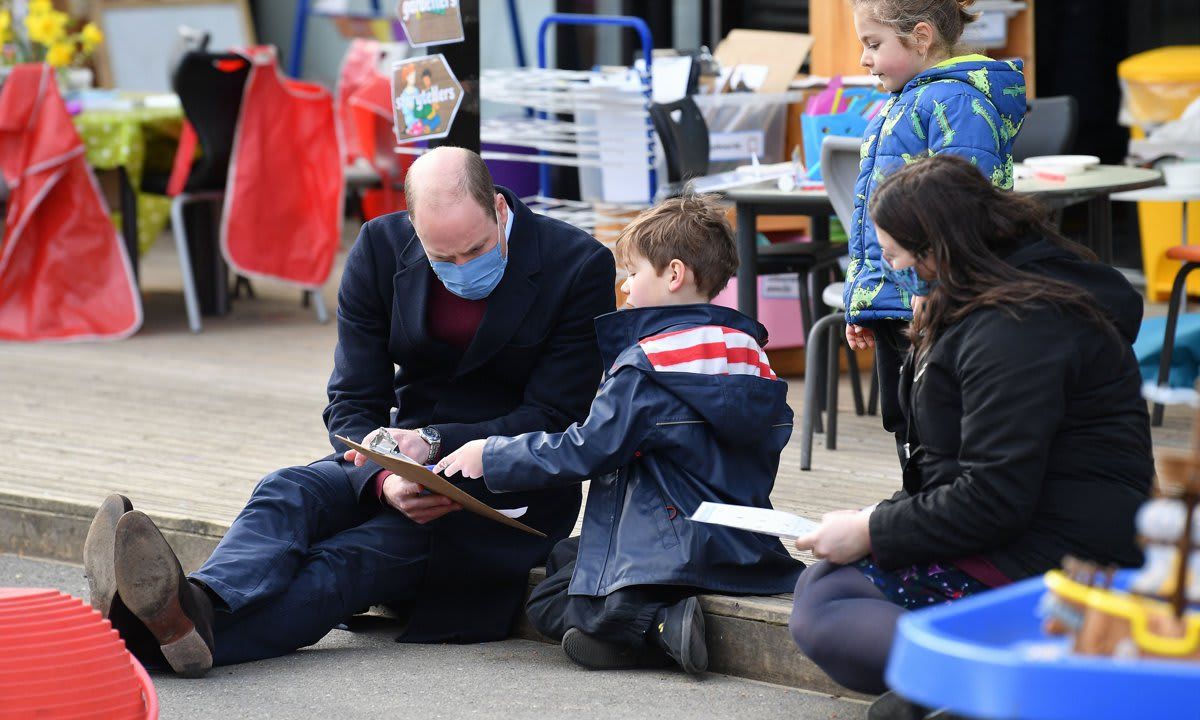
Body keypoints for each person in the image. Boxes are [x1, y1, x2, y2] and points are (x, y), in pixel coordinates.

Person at [81, 147, 617, 677]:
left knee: (347, 559)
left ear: (501, 208)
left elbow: (554, 418)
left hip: (507, 489)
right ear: (413, 228)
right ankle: (193, 608)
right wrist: (385, 475)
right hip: (391, 460)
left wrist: (433, 442)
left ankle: (144, 639)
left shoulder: (577, 265)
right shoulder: (381, 248)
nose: (462, 269)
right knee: (286, 489)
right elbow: (352, 402)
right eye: (442, 257)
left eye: (476, 249)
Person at [789, 155, 1154, 716]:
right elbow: (955, 464)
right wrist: (878, 521)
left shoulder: (1017, 325)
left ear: (936, 250)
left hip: (1065, 553)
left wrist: (872, 528)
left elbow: (994, 495)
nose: (892, 269)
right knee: (827, 587)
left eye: (895, 255)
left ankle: (993, 686)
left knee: (828, 602)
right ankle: (970, 685)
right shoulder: (996, 299)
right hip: (1034, 525)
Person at [436, 194, 804, 675]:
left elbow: (588, 449)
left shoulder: (648, 364)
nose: (626, 287)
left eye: (633, 272)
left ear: (673, 275)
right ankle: (652, 632)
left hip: (668, 546)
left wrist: (493, 455)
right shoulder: (751, 354)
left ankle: (658, 622)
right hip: (742, 542)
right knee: (571, 555)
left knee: (550, 600)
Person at [841, 0, 1027, 459]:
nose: (865, 59)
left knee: (939, 424)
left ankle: (937, 514)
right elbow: (874, 217)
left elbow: (960, 211)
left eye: (873, 44)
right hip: (896, 299)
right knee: (905, 420)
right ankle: (919, 506)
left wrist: (935, 286)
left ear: (921, 37)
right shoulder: (901, 102)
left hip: (934, 302)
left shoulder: (956, 102)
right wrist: (864, 300)